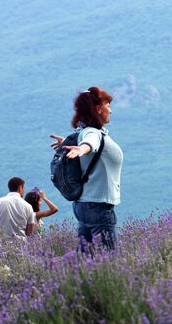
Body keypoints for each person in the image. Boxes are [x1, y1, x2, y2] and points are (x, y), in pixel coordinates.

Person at [50, 86, 122, 249]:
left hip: (84, 204)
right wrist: (81, 148)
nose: (110, 111)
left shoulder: (84, 131)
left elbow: (87, 142)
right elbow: (90, 143)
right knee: (108, 261)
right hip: (98, 206)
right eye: (108, 106)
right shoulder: (92, 133)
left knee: (86, 260)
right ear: (98, 109)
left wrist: (71, 145)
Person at [0, 177, 36, 242]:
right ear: (20, 188)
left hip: (0, 245)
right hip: (20, 245)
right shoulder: (28, 206)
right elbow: (30, 233)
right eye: (24, 188)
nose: (24, 191)